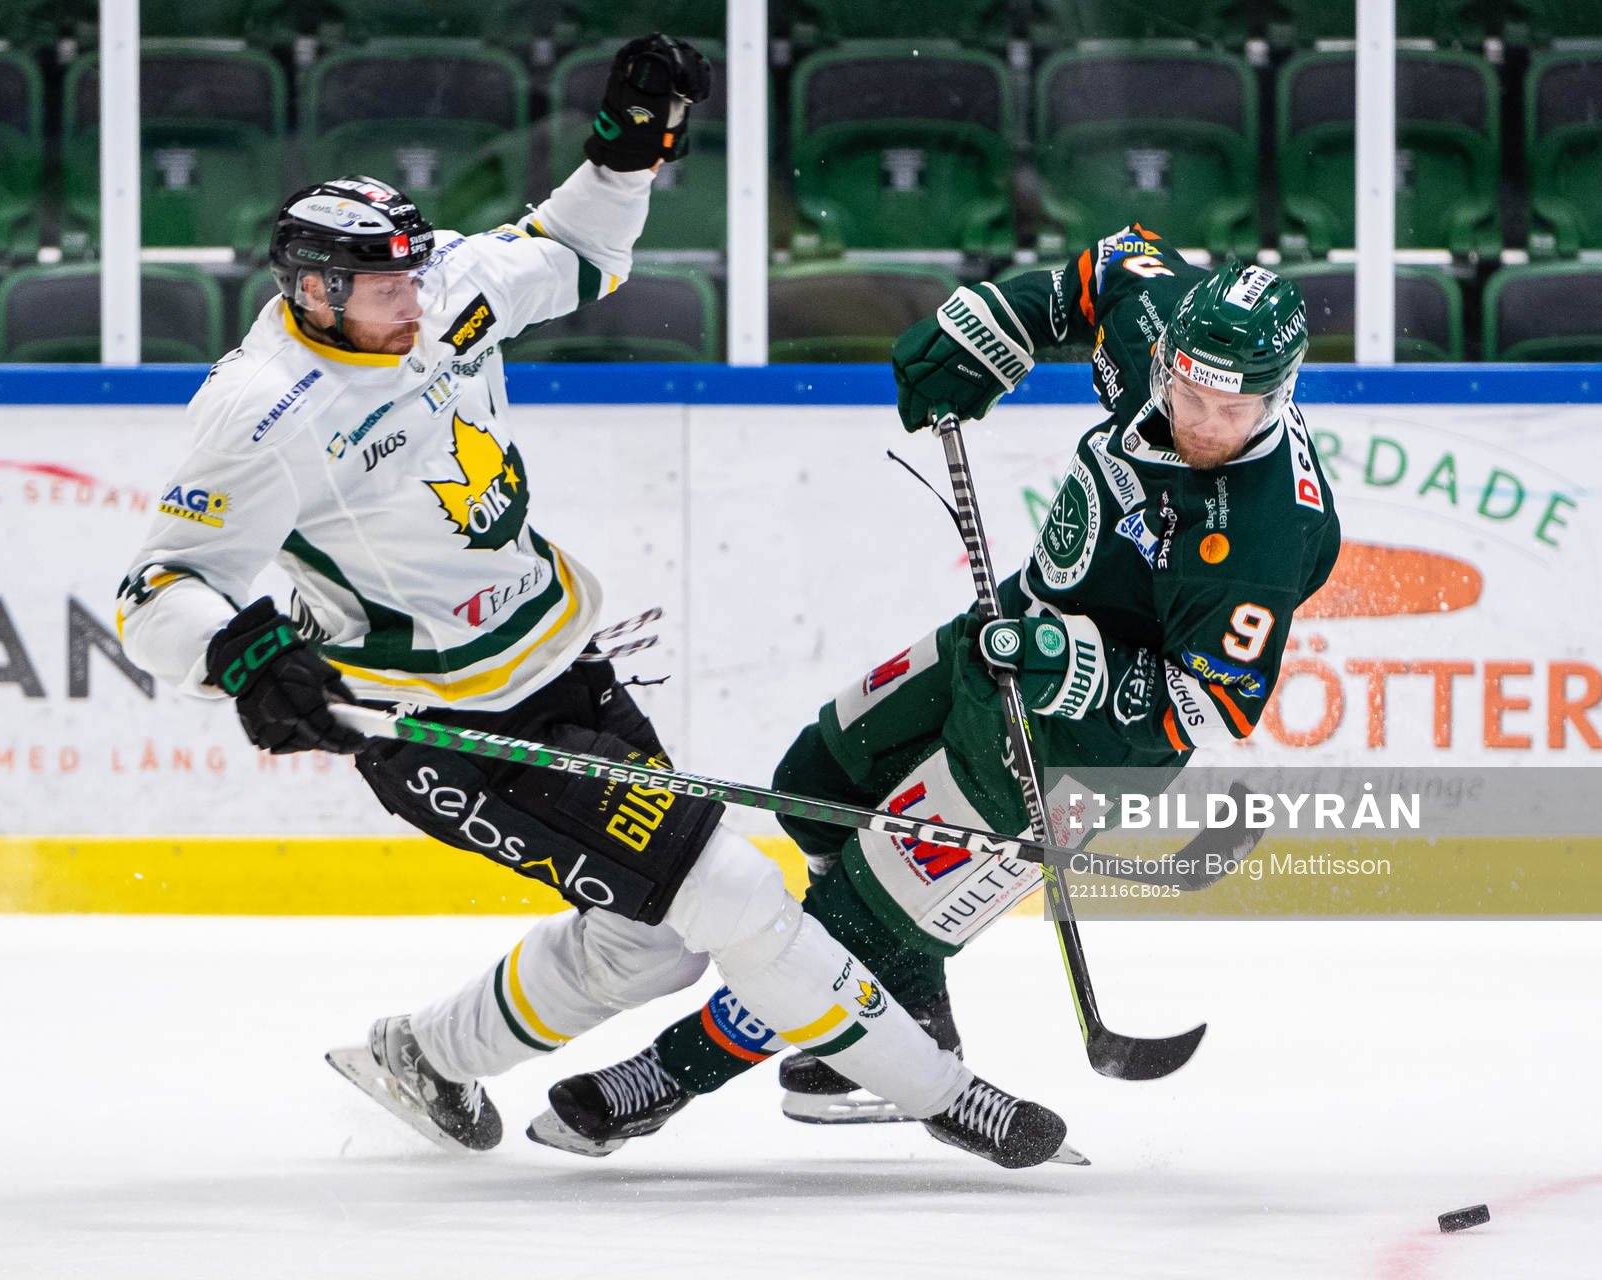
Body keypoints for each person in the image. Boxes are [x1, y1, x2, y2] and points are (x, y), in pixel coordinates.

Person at [113, 34, 1075, 1172]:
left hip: (563, 671)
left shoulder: (445, 297)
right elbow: (156, 586)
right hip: (450, 728)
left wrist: (627, 153)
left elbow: (572, 247)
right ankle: (945, 1093)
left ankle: (421, 1056)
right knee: (734, 891)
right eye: (383, 281)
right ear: (314, 289)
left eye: (416, 269)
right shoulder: (267, 410)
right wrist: (245, 653)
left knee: (651, 944)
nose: (414, 294)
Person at [534, 228, 1342, 1147]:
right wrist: (988, 325)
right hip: (1000, 644)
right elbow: (1111, 267)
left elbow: (1209, 705)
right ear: (1165, 356)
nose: (1201, 422)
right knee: (816, 792)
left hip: (1083, 747)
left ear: (1282, 393)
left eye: (1230, 414)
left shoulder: (1260, 533)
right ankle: (897, 1025)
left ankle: (664, 1078)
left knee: (851, 927)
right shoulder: (1158, 324)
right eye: (1188, 394)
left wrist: (1070, 665)